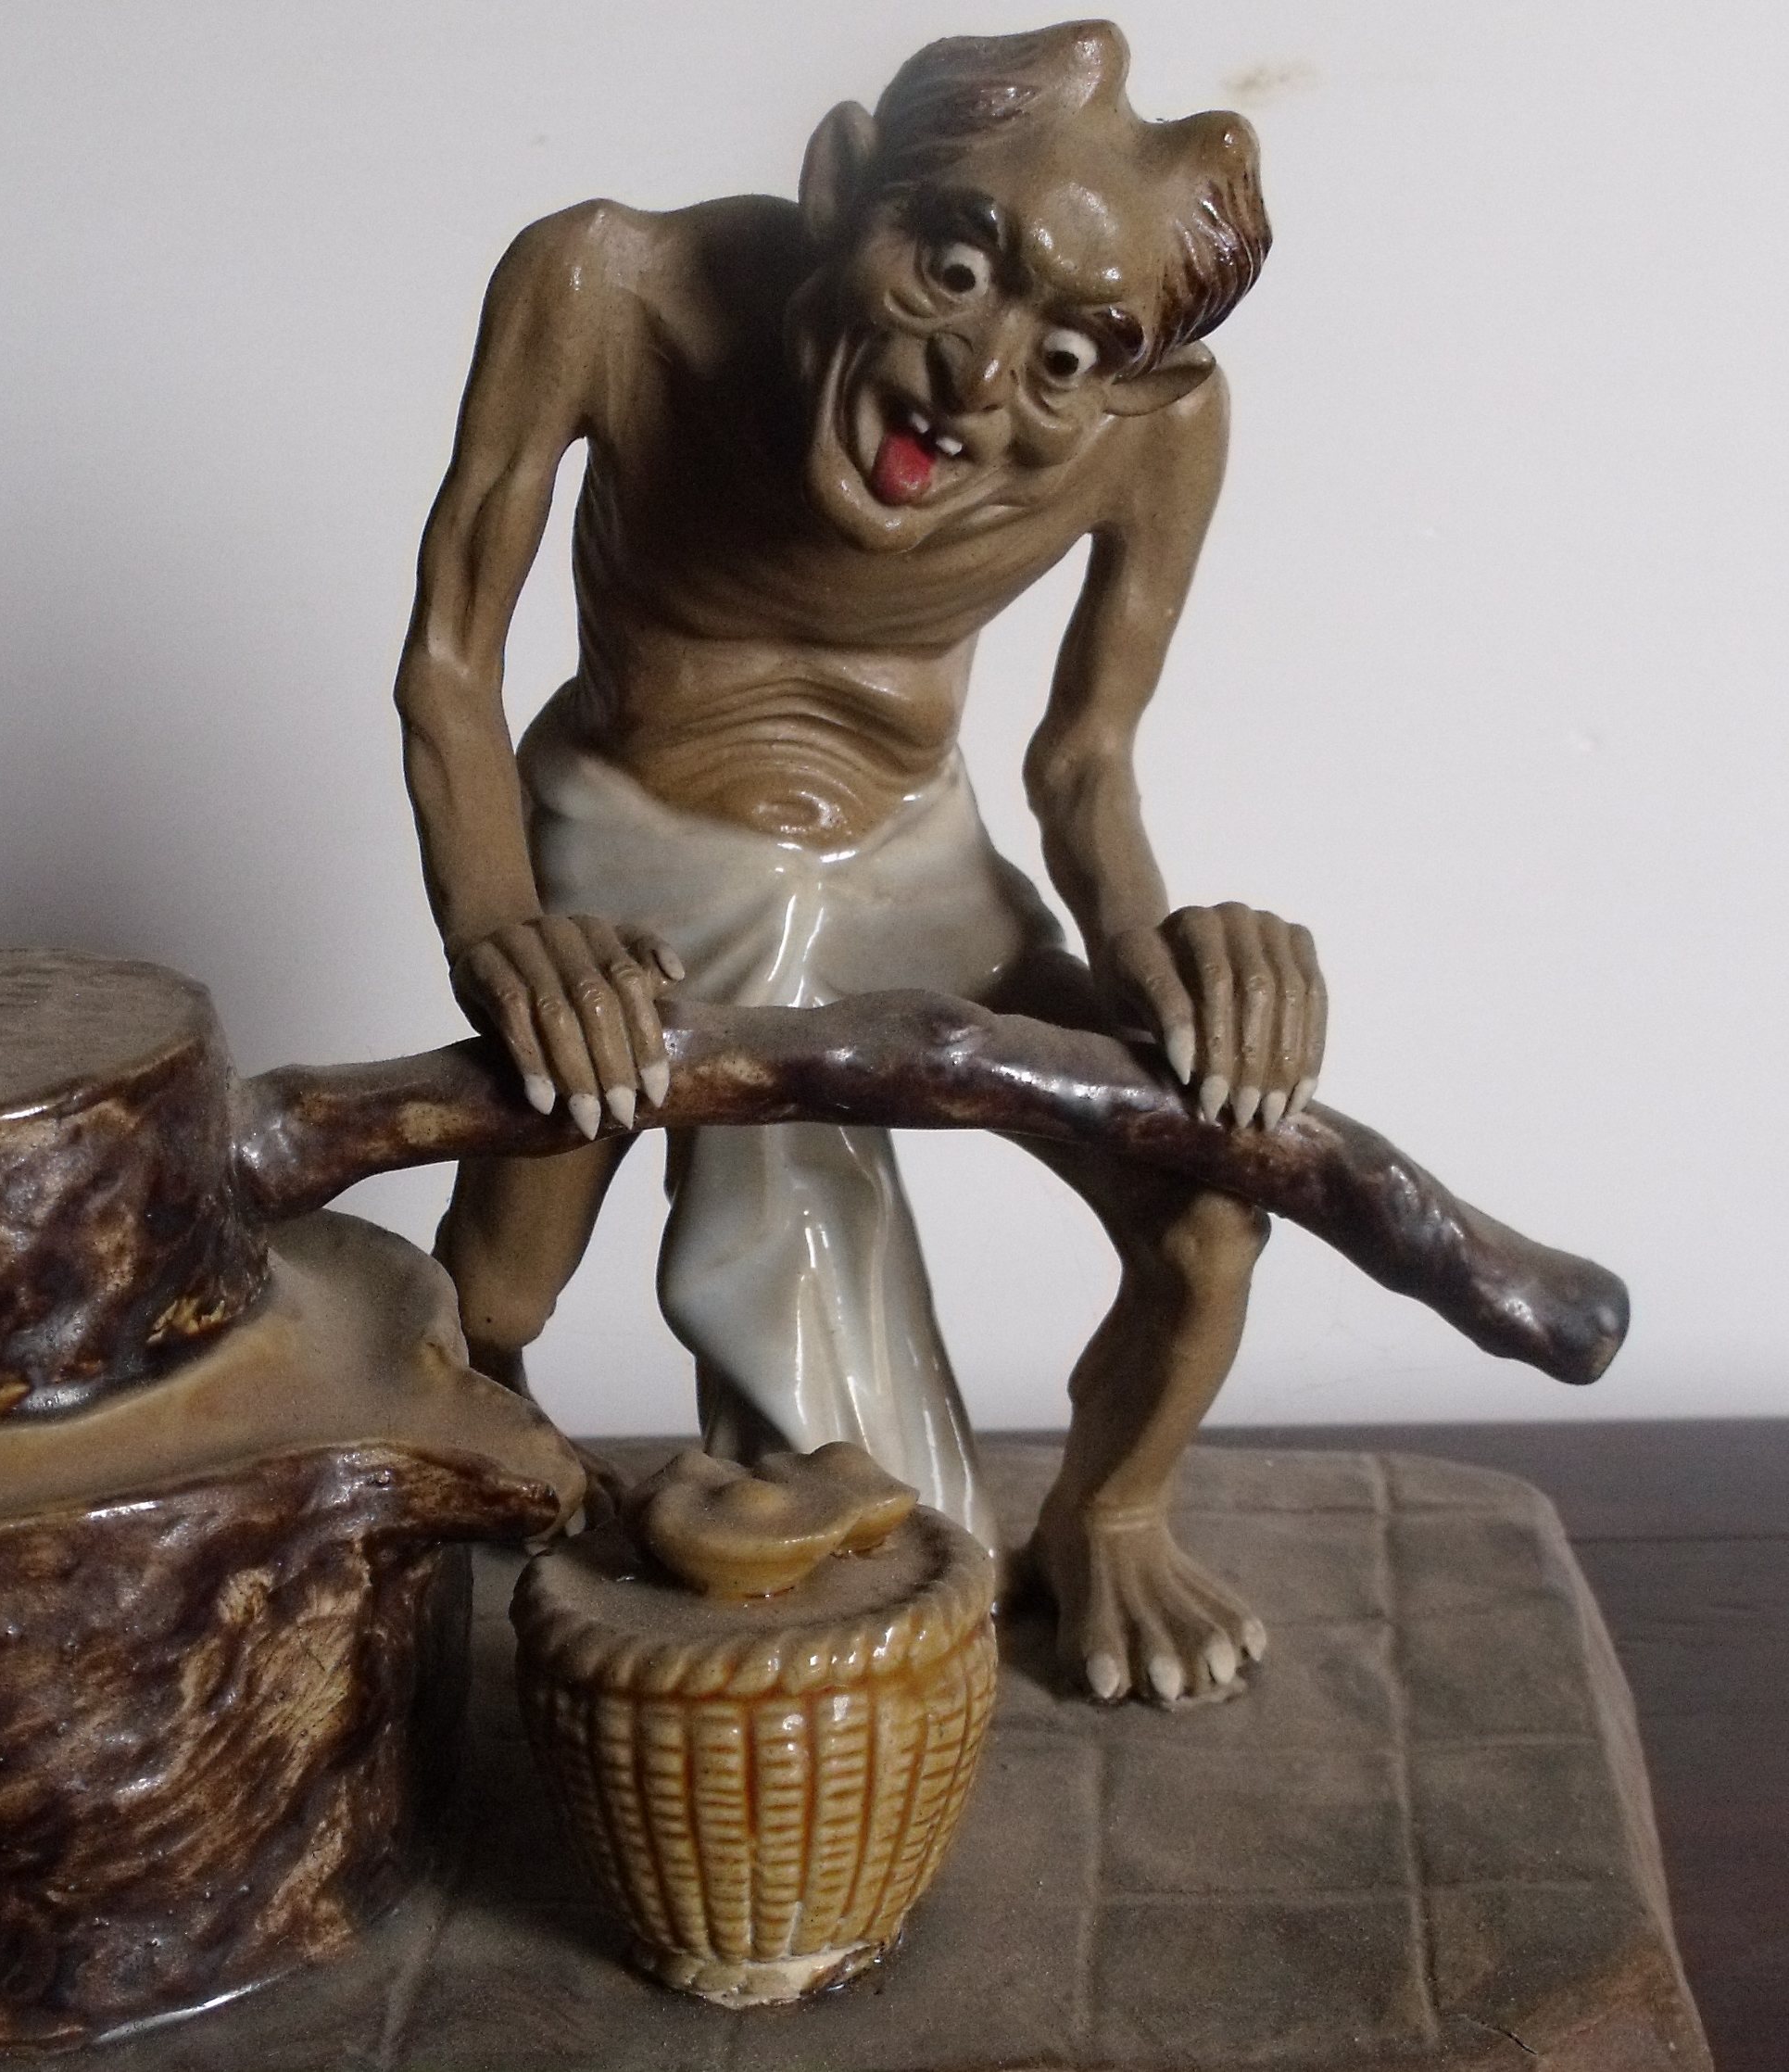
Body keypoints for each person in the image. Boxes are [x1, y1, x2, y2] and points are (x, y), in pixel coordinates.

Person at [393, 23, 1325, 1703]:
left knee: (1207, 1218)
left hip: (912, 853)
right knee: (504, 1285)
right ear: (838, 188)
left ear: (1140, 388)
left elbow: (1083, 759)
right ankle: (502, 1474)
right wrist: (504, 927)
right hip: (632, 838)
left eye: (1066, 356)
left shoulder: (1159, 439)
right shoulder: (605, 289)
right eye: (953, 271)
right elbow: (451, 664)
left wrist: (1164, 956)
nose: (978, 379)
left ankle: (1104, 1522)